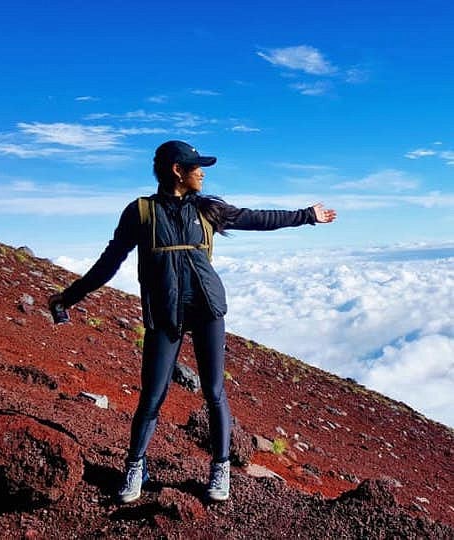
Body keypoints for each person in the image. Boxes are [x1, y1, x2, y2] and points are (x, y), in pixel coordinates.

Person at [48, 140, 336, 504]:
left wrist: (307, 214)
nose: (202, 172)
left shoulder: (209, 209)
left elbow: (258, 218)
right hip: (164, 313)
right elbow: (109, 263)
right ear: (176, 170)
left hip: (207, 308)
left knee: (214, 392)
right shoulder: (140, 212)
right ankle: (135, 466)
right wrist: (69, 296)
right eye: (196, 166)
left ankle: (220, 468)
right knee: (152, 396)